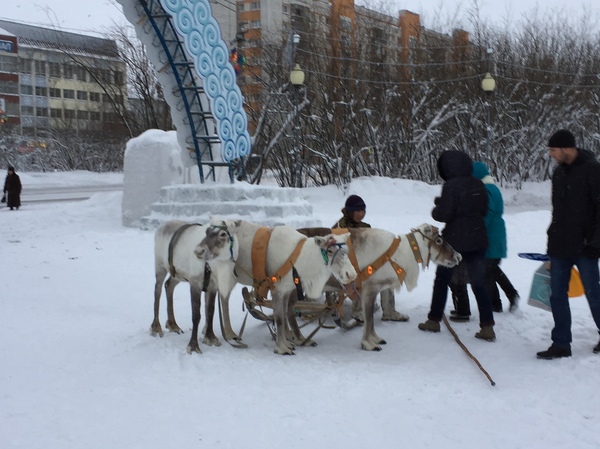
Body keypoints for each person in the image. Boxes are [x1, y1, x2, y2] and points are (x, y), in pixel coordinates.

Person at [418, 150, 496, 341]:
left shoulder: (450, 185)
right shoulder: (478, 183)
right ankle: (487, 327)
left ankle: (434, 320)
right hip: (478, 239)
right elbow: (484, 209)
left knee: (442, 281)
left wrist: (437, 207)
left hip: (454, 241)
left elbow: (443, 214)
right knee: (479, 283)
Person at [536, 129, 600, 360]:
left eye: (553, 150)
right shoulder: (559, 173)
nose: (551, 155)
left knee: (594, 294)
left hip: (586, 247)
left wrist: (596, 243)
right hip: (560, 247)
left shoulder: (592, 169)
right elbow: (558, 213)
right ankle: (561, 343)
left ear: (566, 148)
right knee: (557, 296)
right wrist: (550, 248)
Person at [449, 161, 520, 321]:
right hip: (496, 234)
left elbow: (485, 214)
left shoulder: (485, 190)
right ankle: (510, 295)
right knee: (492, 268)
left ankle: (496, 304)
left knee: (486, 271)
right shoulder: (492, 188)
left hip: (489, 236)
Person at [332, 194, 409, 322]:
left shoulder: (365, 226)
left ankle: (389, 311)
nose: (361, 214)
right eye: (358, 211)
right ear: (350, 211)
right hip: (347, 265)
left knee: (387, 275)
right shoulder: (340, 228)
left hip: (365, 262)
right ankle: (358, 312)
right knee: (362, 277)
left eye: (363, 210)